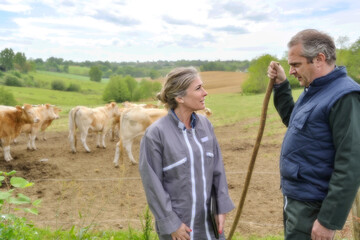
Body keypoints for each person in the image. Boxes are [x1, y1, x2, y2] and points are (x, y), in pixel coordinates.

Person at [267, 29, 360, 240]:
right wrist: (281, 85)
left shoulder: (344, 96)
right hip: (296, 198)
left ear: (319, 59)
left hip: (313, 206)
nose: (291, 71)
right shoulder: (314, 90)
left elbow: (351, 163)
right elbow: (295, 123)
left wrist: (328, 220)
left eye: (296, 65)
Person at [139, 66, 234, 240]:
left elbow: (217, 170)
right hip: (180, 230)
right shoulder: (156, 134)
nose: (205, 93)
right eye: (198, 89)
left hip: (210, 226)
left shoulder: (206, 126)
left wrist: (220, 207)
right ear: (180, 97)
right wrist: (171, 224)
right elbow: (152, 185)